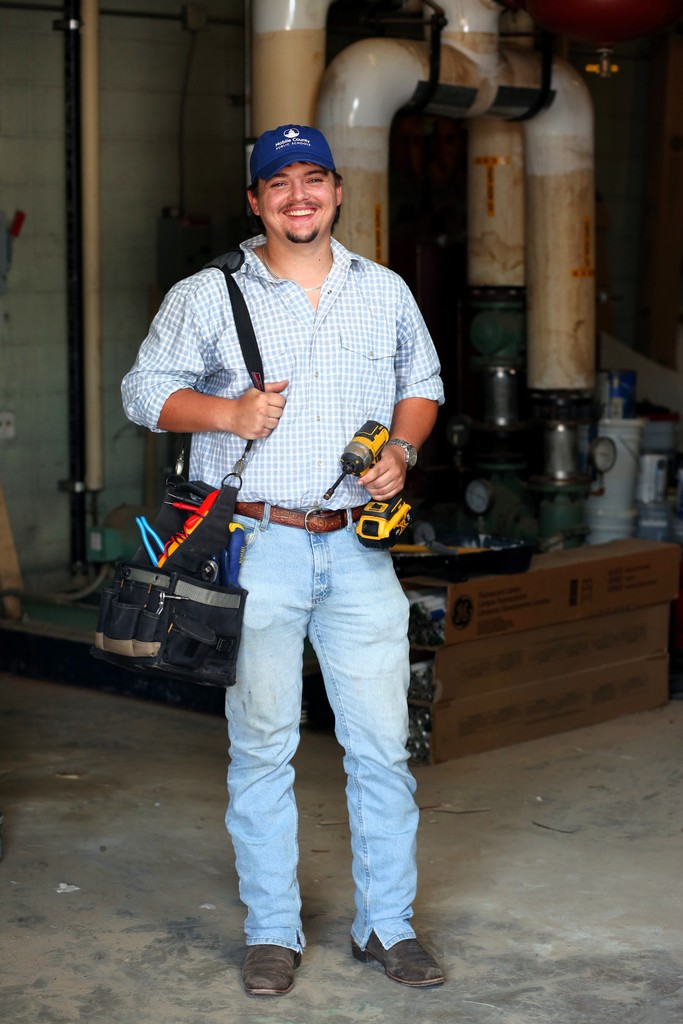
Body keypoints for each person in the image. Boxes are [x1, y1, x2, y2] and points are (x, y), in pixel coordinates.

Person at [122, 123, 445, 997]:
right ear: (257, 200)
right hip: (254, 548)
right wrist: (226, 417)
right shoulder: (207, 294)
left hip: (356, 550)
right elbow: (143, 393)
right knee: (261, 747)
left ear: (338, 192)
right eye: (279, 184)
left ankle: (389, 925)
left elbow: (422, 385)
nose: (297, 197)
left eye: (313, 180)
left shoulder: (382, 292)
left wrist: (401, 454)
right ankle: (272, 930)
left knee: (381, 748)